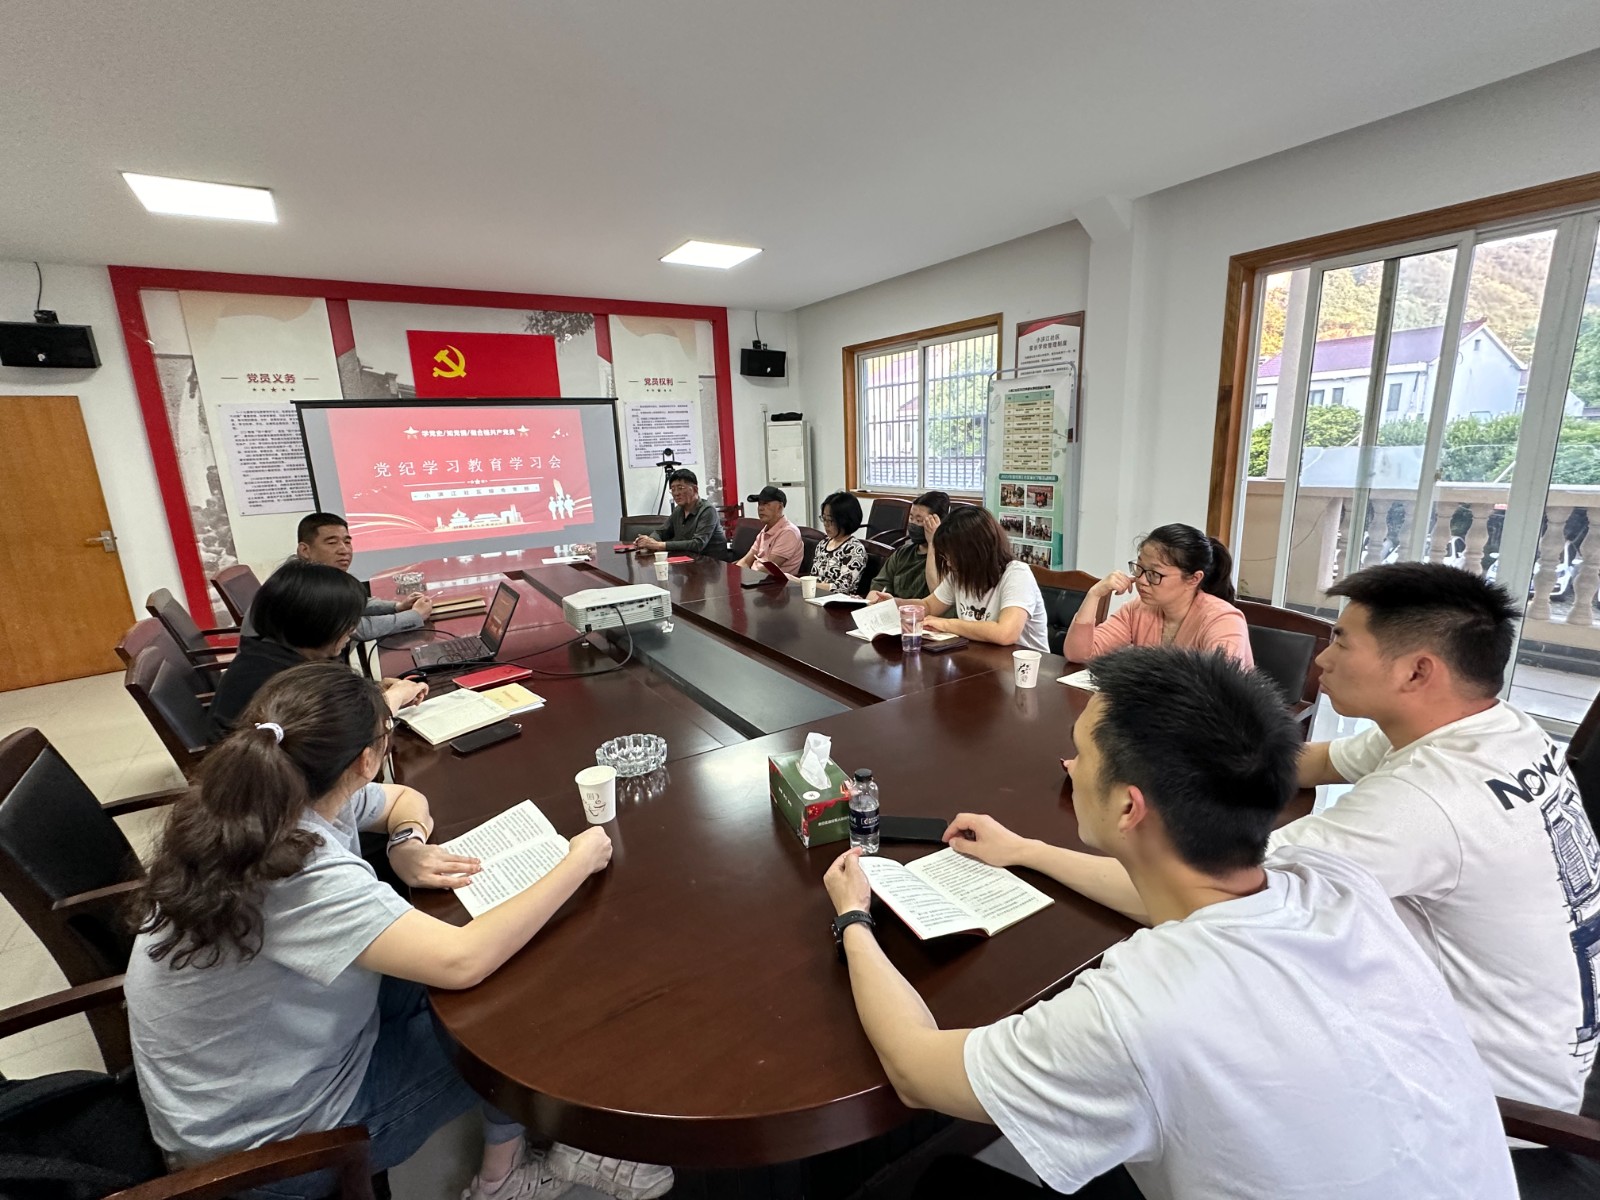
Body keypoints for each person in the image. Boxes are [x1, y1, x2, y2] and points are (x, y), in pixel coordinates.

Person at [823, 647, 1515, 1199]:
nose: (1069, 765)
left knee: (945, 1183)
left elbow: (915, 1070)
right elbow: (1180, 896)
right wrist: (1029, 852)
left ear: (1129, 807)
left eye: (1081, 757)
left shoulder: (1146, 1011)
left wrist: (854, 917)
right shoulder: (1337, 885)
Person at [1004, 561, 1600, 1125]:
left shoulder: (1426, 803)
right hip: (1539, 1044)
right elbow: (1303, 760)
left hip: (1486, 1104)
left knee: (1176, 1025)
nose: (1322, 657)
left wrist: (1029, 851)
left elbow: (1211, 890)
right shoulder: (1491, 728)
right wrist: (1162, 763)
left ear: (1417, 671)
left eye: (1342, 641)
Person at [128, 662, 673, 1200]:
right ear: (367, 761)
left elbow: (402, 802)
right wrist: (576, 860)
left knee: (503, 967)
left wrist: (405, 844)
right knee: (512, 1018)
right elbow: (462, 960)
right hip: (272, 1147)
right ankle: (506, 1179)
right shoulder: (298, 869)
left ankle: (517, 1151)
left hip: (251, 1070)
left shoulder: (260, 799)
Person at [208, 559, 427, 742]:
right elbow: (350, 731)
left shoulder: (271, 652)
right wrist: (395, 697)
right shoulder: (282, 680)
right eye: (348, 622)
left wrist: (375, 691)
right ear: (317, 624)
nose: (352, 629)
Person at [1064, 522, 1252, 667]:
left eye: (1155, 574)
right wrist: (1094, 594)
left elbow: (1218, 689)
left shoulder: (1223, 620)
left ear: (1194, 579)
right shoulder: (1138, 609)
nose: (1142, 580)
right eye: (1140, 568)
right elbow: (1079, 654)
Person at [917, 506, 1048, 651]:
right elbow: (928, 606)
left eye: (953, 556)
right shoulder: (960, 574)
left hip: (1025, 667)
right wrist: (894, 605)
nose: (948, 563)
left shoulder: (1017, 574)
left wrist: (946, 624)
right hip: (980, 660)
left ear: (974, 552)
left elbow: (1005, 633)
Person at [296, 512, 435, 640]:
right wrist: (415, 616)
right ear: (305, 550)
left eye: (347, 542)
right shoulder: (301, 586)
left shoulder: (320, 574)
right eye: (332, 543)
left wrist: (397, 607)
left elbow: (352, 602)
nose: (344, 550)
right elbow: (357, 628)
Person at [864, 491, 946, 604]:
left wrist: (932, 542)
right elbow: (877, 587)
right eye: (911, 518)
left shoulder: (948, 559)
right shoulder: (902, 553)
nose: (912, 524)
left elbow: (937, 593)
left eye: (919, 520)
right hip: (893, 613)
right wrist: (872, 603)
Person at [634, 468, 720, 555]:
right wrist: (648, 541)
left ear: (695, 489)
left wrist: (658, 545)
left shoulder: (708, 510)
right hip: (686, 561)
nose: (676, 493)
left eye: (680, 488)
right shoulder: (678, 510)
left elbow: (697, 544)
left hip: (710, 563)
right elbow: (661, 532)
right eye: (673, 489)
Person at [734, 485, 805, 576]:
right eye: (759, 504)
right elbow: (746, 561)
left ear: (779, 507)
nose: (761, 508)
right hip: (756, 579)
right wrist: (735, 576)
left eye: (766, 504)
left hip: (774, 585)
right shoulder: (765, 530)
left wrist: (746, 578)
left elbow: (768, 569)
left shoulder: (788, 532)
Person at [810, 492, 869, 594]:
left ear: (845, 520)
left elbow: (842, 587)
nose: (826, 524)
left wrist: (805, 584)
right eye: (824, 519)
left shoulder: (854, 549)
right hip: (816, 597)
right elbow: (814, 577)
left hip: (839, 604)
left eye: (830, 520)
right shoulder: (823, 544)